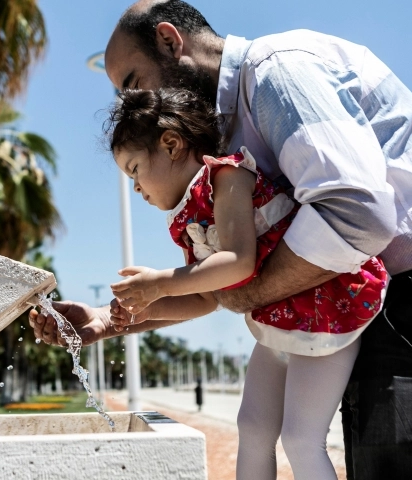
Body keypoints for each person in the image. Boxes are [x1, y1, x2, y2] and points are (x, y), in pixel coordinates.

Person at [29, 1, 412, 477]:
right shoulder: (222, 152)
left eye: (131, 82)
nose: (130, 103)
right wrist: (106, 321)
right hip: (369, 305)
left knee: (385, 457)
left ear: (171, 42)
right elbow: (213, 289)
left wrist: (244, 292)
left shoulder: (278, 71)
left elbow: (357, 213)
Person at [105, 87, 387, 478]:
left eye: (135, 169)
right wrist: (143, 305)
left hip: (324, 307)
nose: (136, 187)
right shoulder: (188, 218)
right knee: (252, 428)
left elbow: (237, 262)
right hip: (274, 321)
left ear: (171, 145)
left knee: (301, 438)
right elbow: (206, 296)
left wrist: (161, 284)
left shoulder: (228, 174)